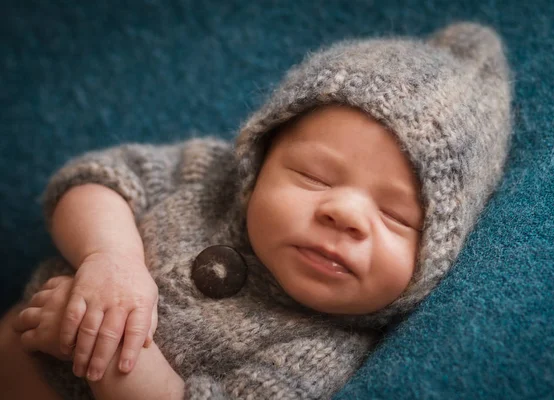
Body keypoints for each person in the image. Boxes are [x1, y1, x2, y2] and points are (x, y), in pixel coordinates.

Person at [0, 22, 512, 399]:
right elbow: (94, 180)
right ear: (259, 159)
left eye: (399, 217)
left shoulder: (322, 350)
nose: (346, 214)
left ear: (436, 262)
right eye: (314, 176)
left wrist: (104, 349)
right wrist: (110, 258)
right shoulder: (210, 177)